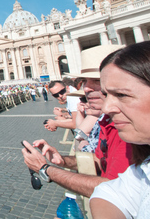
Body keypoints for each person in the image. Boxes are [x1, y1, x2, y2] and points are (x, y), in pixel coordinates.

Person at [22, 44, 131, 198]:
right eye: (84, 81)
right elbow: (99, 159)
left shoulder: (130, 129)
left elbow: (116, 191)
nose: (85, 89)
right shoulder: (108, 120)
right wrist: (62, 161)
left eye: (96, 80)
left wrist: (45, 169)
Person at [90, 41, 150, 218]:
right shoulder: (143, 168)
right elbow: (109, 193)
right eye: (106, 95)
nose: (107, 108)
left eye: (122, 95)